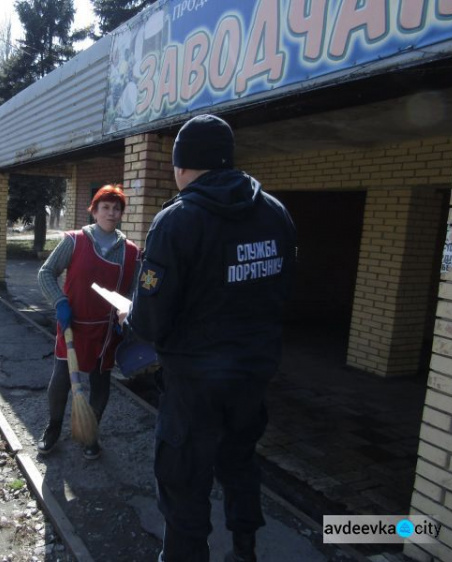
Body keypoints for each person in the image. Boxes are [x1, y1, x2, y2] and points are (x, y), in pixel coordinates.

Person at [119, 114, 296, 562]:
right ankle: (244, 550)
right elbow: (282, 292)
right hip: (252, 376)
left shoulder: (177, 220)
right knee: (239, 462)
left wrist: (130, 314)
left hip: (194, 384)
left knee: (183, 479)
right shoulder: (276, 213)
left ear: (182, 166)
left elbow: (151, 322)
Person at [37, 184, 140, 460]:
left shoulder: (130, 252)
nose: (111, 212)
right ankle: (54, 427)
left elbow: (132, 291)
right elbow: (46, 273)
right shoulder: (74, 241)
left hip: (107, 332)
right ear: (94, 211)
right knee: (61, 380)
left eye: (116, 208)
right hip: (72, 325)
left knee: (101, 382)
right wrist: (59, 302)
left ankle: (89, 432)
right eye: (105, 207)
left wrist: (125, 312)